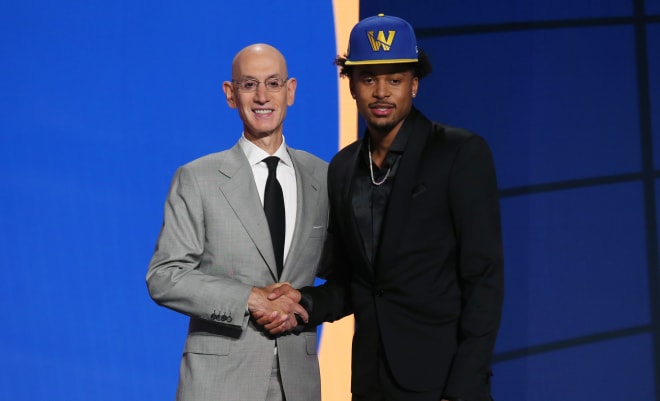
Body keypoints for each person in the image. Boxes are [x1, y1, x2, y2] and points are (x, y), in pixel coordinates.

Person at [263, 14, 504, 401]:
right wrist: (304, 303)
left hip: (443, 382)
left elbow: (485, 281)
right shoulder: (343, 168)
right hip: (370, 380)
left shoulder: (459, 154)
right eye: (369, 79)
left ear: (415, 84)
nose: (381, 93)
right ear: (352, 85)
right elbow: (355, 284)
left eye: (394, 79)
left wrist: (464, 387)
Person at [146, 43, 328, 401]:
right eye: (249, 85)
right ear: (231, 95)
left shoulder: (323, 176)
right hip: (218, 384)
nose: (262, 96)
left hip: (299, 382)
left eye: (273, 84)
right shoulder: (197, 178)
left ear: (290, 91)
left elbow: (347, 274)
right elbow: (165, 275)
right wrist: (249, 300)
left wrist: (305, 304)